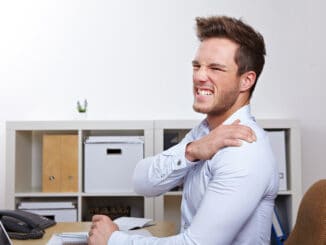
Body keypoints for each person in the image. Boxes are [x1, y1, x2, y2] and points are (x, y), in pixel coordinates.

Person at [88, 15, 279, 245]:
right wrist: (192, 151)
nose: (199, 76)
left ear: (246, 81)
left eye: (215, 68)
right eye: (197, 66)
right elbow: (142, 182)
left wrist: (112, 240)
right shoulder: (206, 133)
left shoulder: (243, 150)